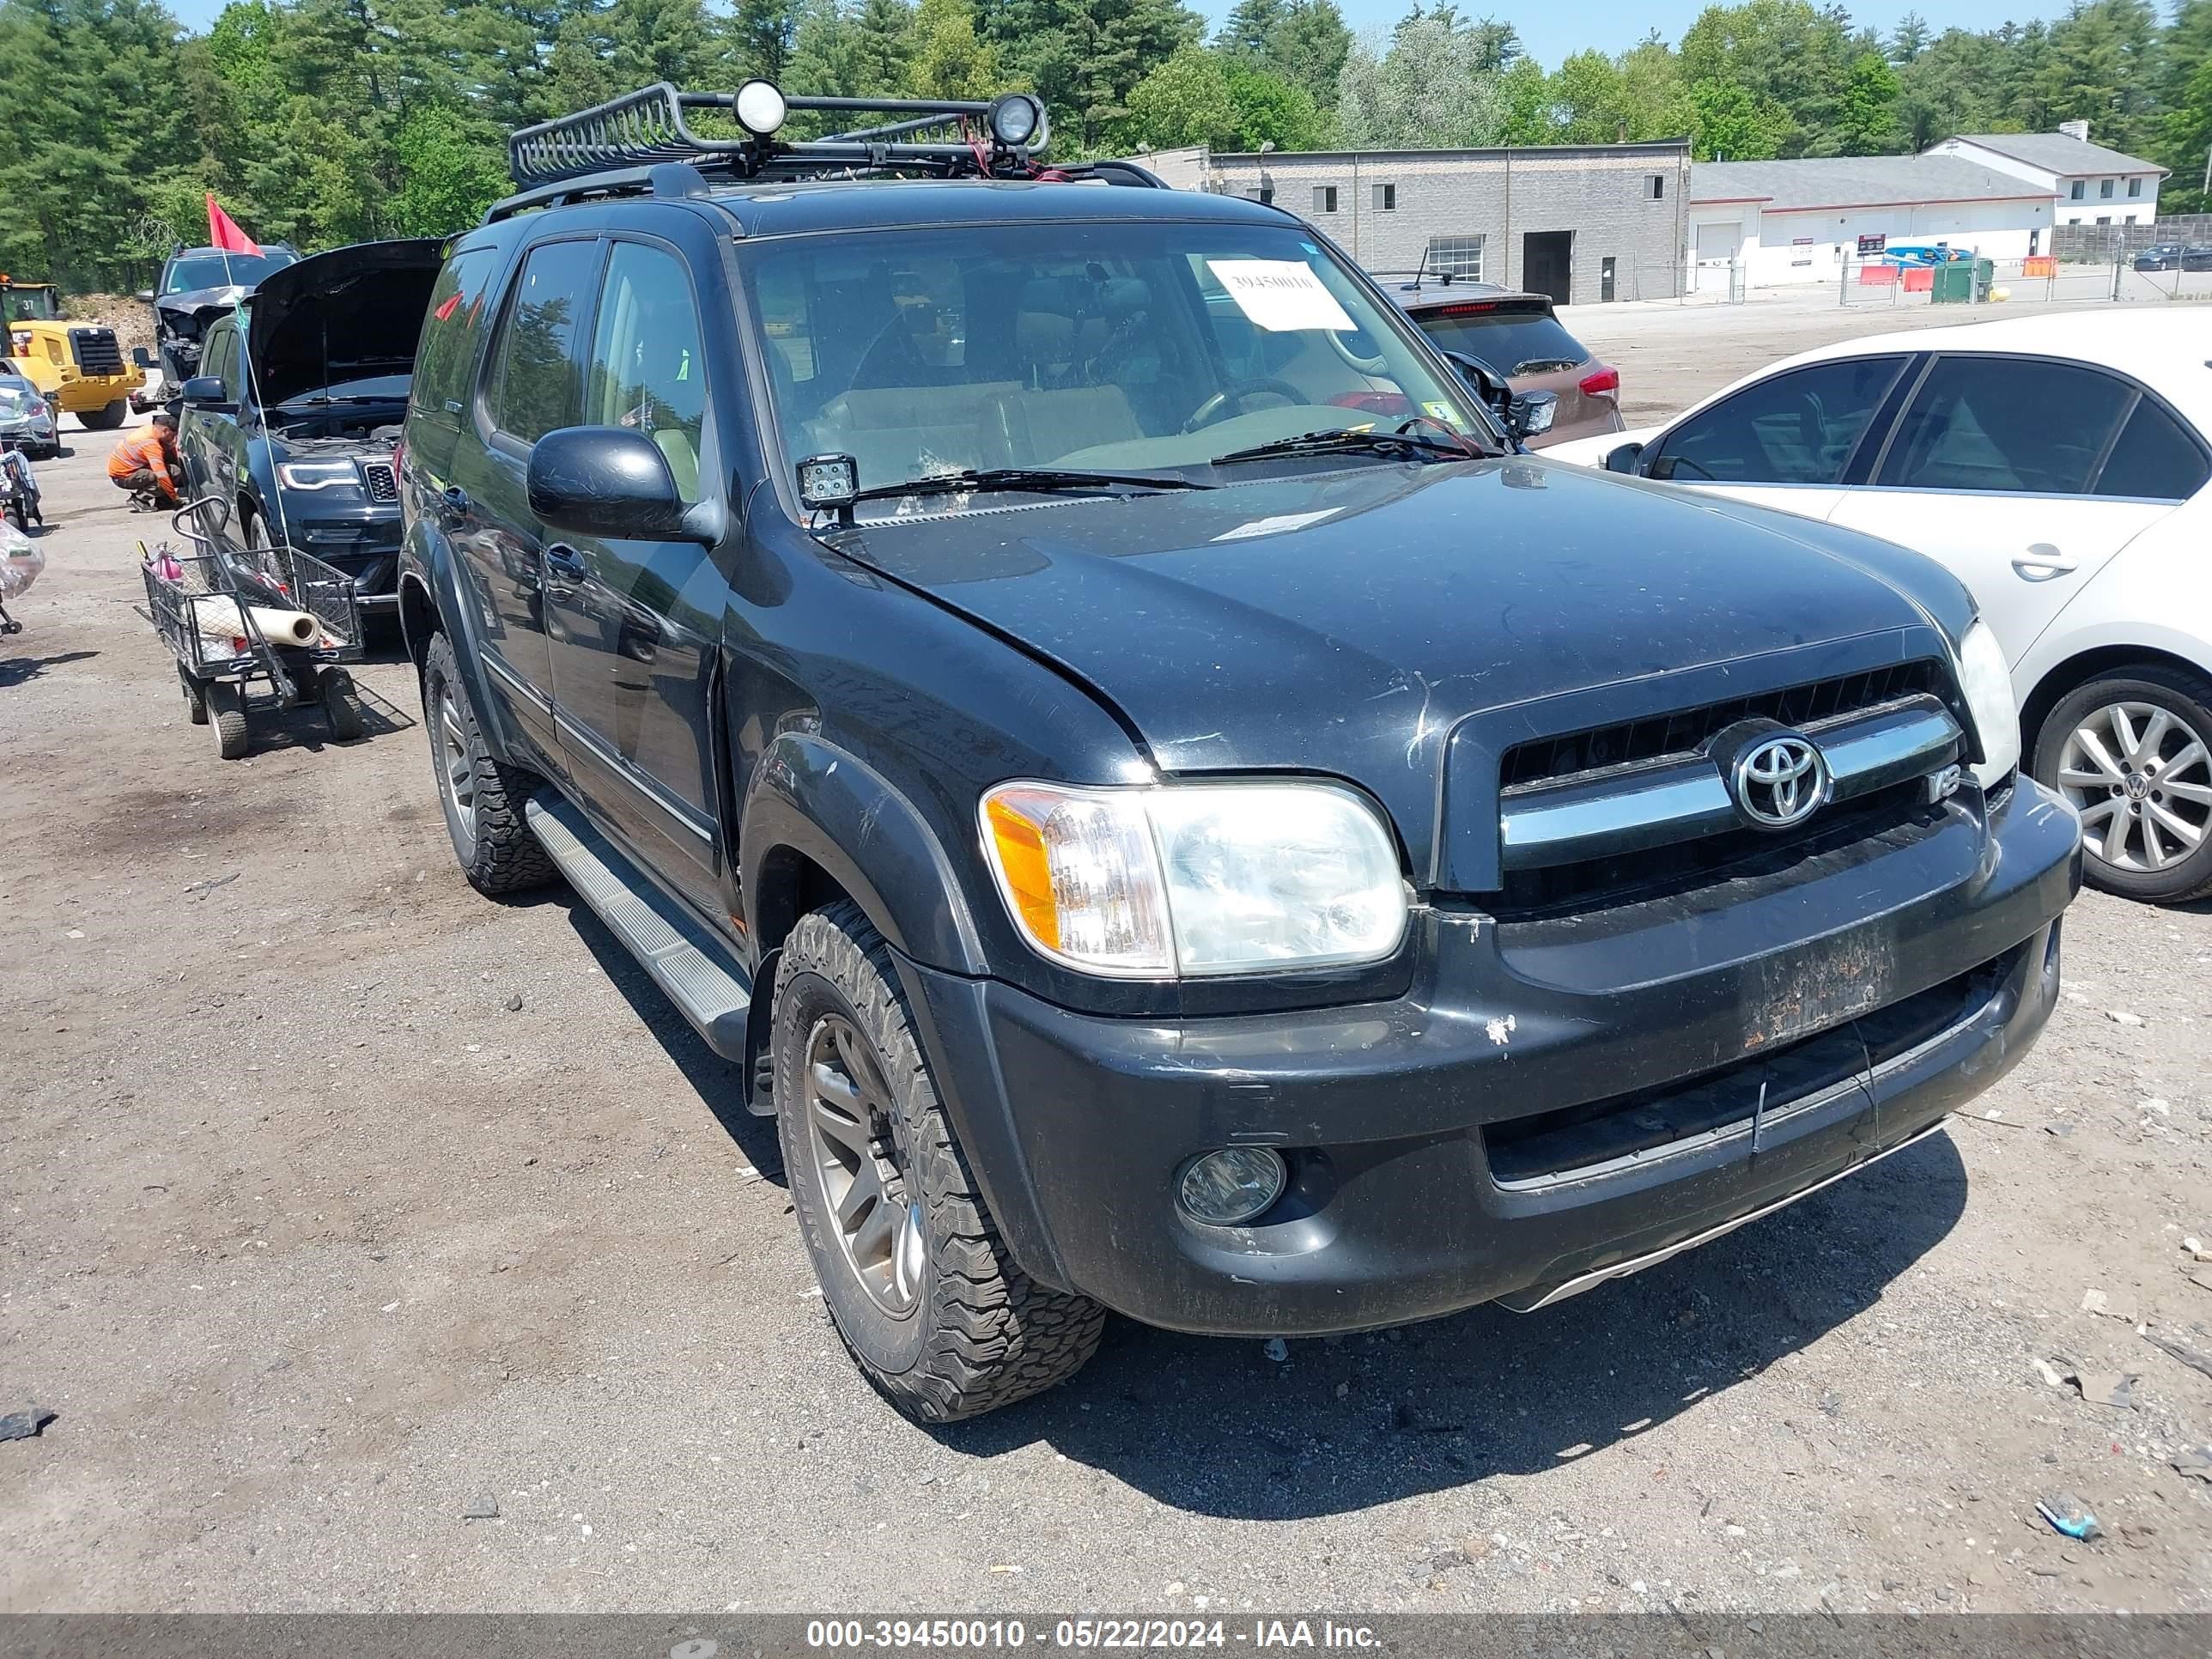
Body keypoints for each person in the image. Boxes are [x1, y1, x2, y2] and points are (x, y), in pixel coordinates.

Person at [107, 413, 179, 508]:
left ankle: (164, 501)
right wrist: (176, 499)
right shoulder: (150, 444)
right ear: (165, 430)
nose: (173, 439)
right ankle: (139, 499)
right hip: (123, 477)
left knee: (172, 469)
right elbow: (162, 475)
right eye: (173, 435)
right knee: (166, 475)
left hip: (129, 469)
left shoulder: (150, 430)